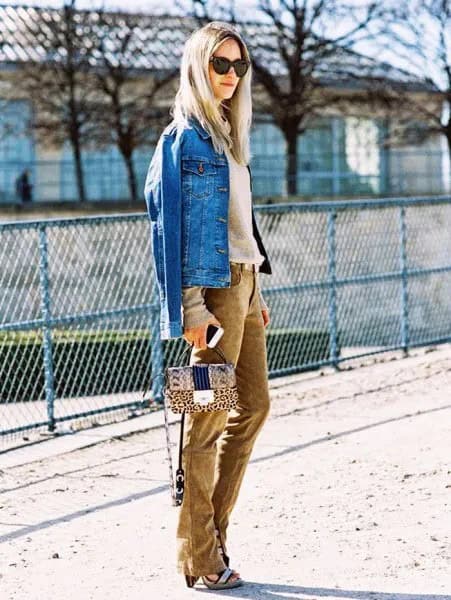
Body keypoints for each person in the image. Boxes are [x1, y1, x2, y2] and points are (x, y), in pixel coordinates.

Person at [144, 21, 272, 591]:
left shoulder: (228, 133)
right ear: (198, 66)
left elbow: (240, 226)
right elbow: (170, 229)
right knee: (206, 420)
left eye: (239, 66)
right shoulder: (182, 138)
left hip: (244, 286)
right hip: (212, 293)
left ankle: (208, 536)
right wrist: (192, 308)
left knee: (255, 408)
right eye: (221, 64)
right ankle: (200, 555)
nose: (230, 75)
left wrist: (257, 293)